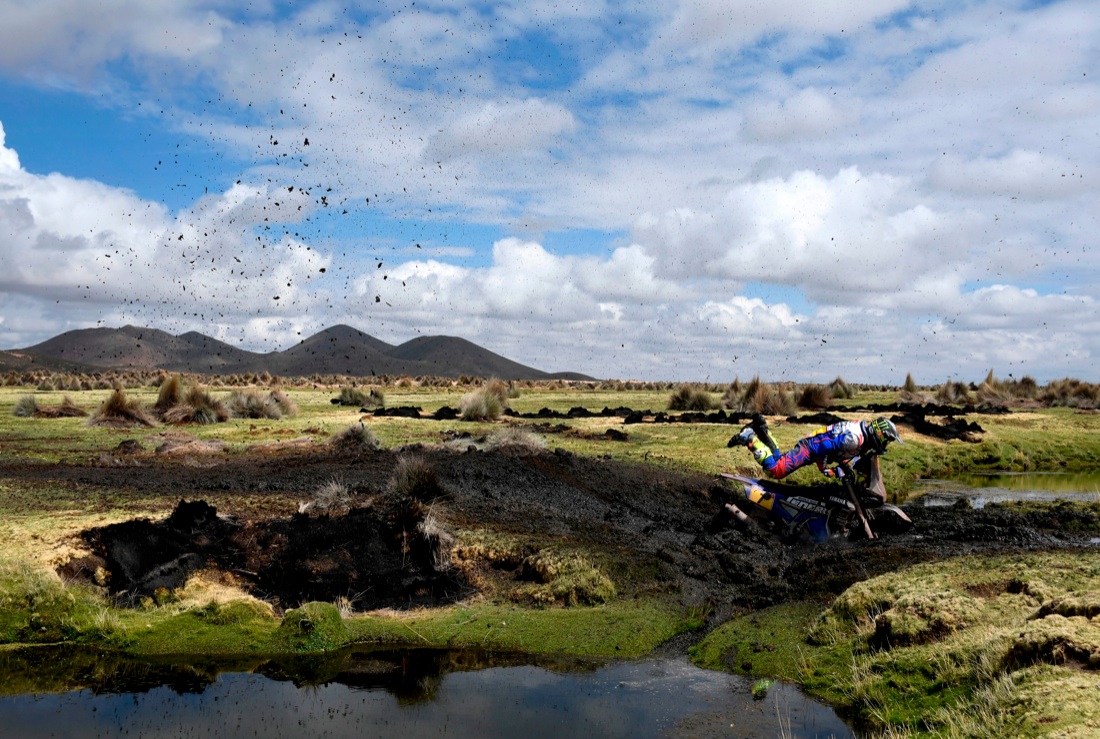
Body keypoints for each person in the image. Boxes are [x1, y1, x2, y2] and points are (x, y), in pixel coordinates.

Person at [728, 414, 902, 480]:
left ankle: (763, 430)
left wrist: (844, 468)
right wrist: (823, 468)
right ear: (880, 433)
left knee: (779, 461)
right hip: (811, 448)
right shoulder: (856, 438)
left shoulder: (861, 435)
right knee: (776, 471)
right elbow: (826, 447)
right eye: (887, 440)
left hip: (813, 444)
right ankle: (750, 437)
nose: (886, 444)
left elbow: (838, 450)